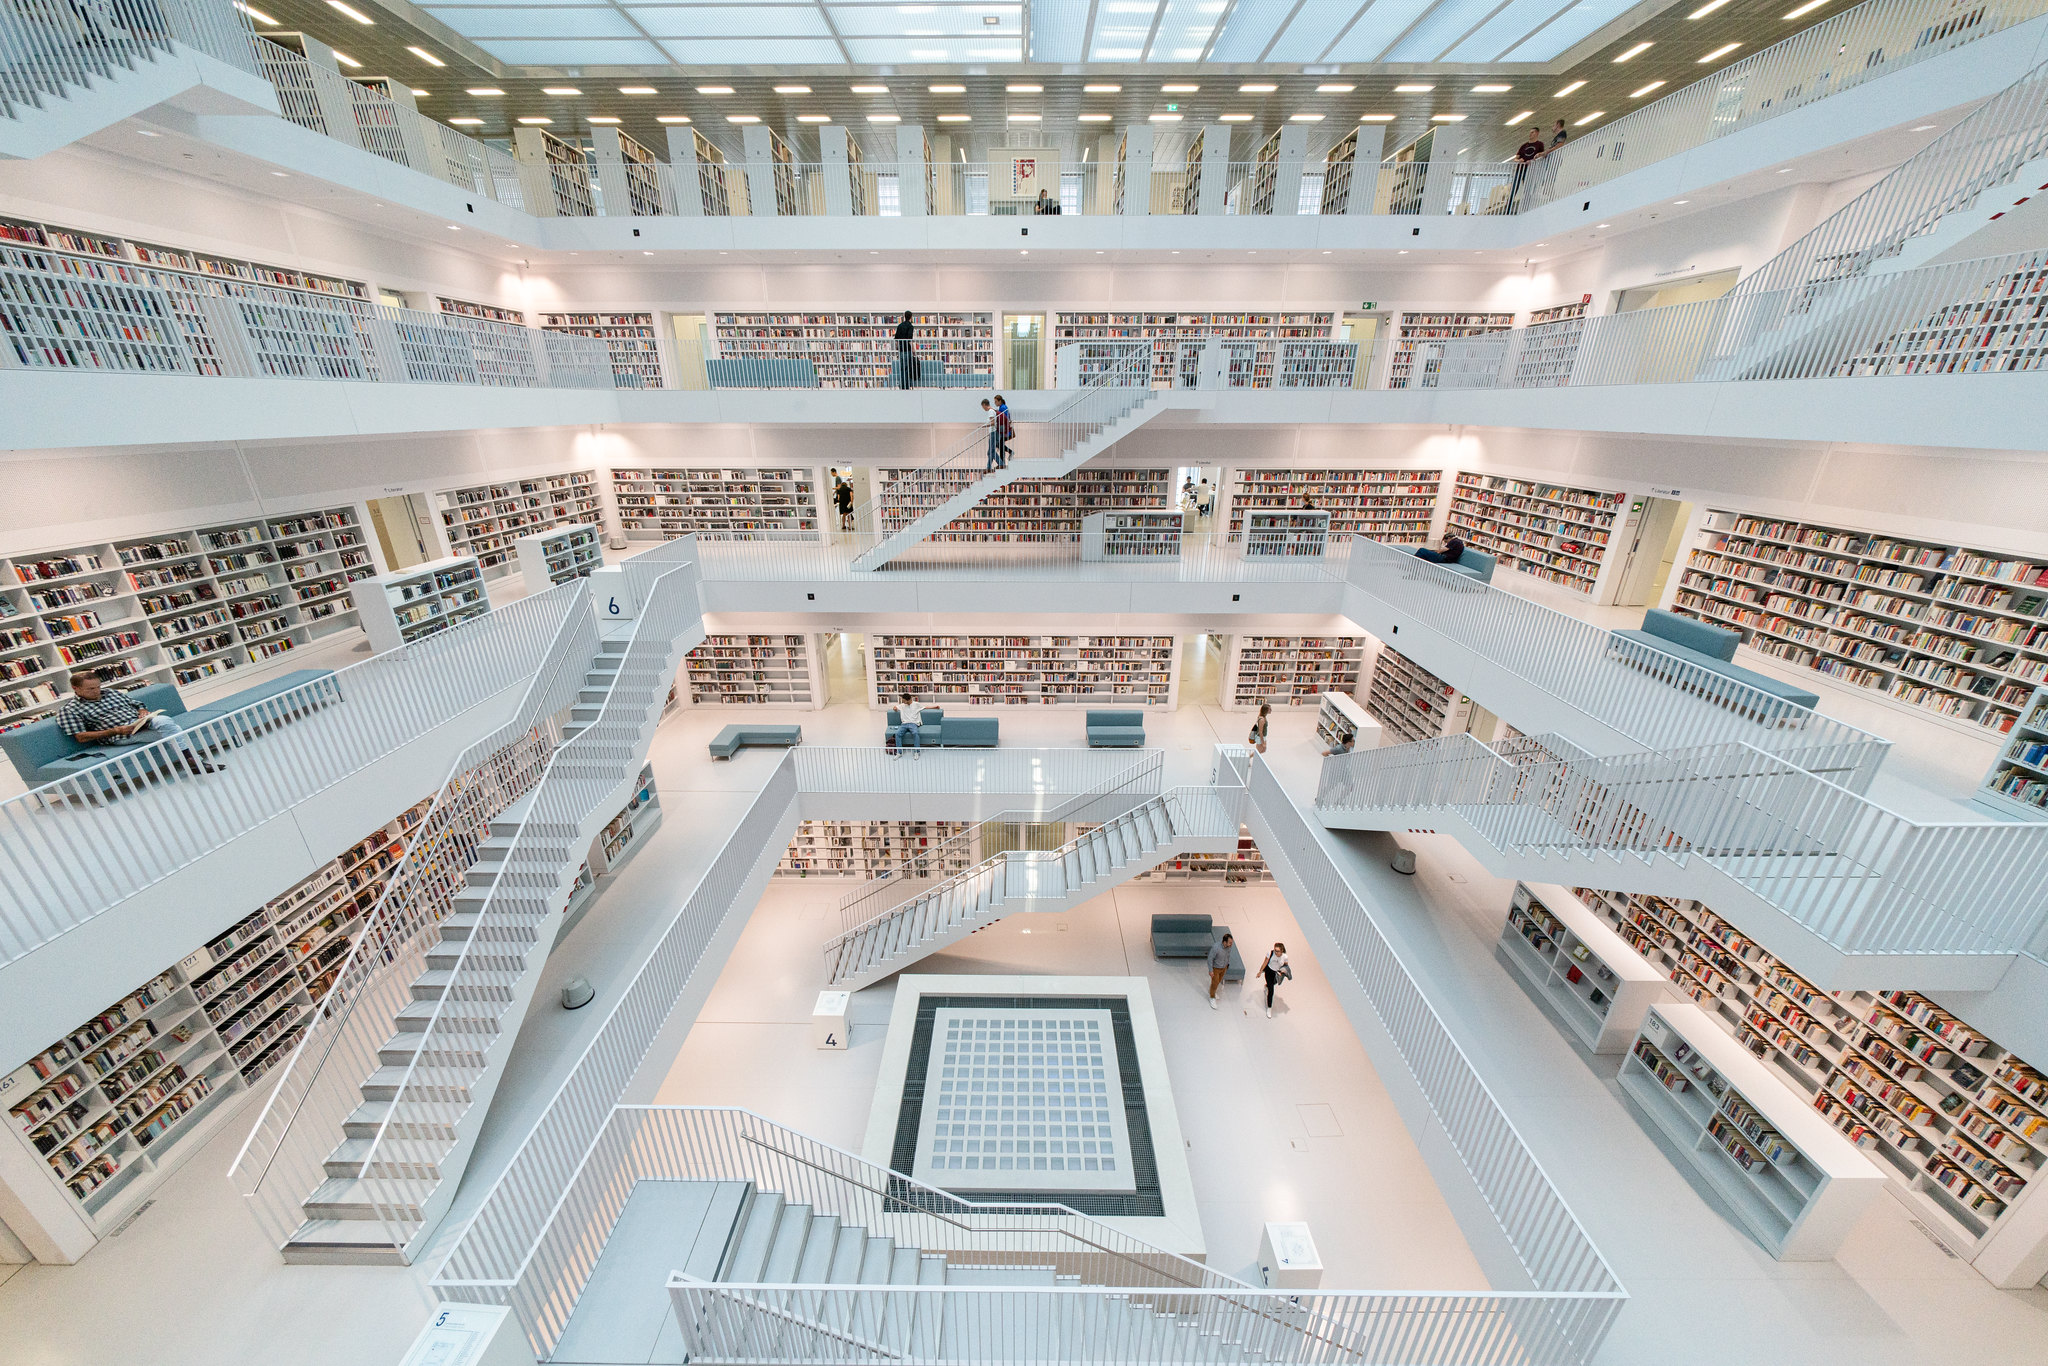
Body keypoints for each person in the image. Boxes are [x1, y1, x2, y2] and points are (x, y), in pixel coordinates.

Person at [56, 672, 219, 776]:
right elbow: (81, 737)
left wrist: (142, 712)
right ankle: (193, 761)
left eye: (98, 686)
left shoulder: (111, 692)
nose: (97, 691)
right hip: (120, 735)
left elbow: (137, 704)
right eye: (91, 689)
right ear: (75, 688)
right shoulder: (70, 710)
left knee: (164, 721)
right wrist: (114, 730)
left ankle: (192, 762)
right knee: (174, 730)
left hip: (141, 723)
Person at [1508, 126, 1545, 212]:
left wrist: (1532, 161)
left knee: (1528, 188)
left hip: (1530, 170)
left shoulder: (1539, 145)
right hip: (1520, 169)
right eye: (1530, 132)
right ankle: (1508, 207)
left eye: (1532, 132)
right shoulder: (1524, 145)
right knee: (1514, 187)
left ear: (1537, 133)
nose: (1530, 134)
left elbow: (1540, 155)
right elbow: (1515, 158)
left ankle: (1526, 207)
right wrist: (1519, 160)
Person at [1258, 942, 1291, 1018]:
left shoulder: (1285, 957)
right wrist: (1260, 971)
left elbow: (1285, 965)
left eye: (1278, 951)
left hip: (1277, 974)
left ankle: (1267, 986)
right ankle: (1269, 1008)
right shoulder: (1270, 953)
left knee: (1272, 984)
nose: (1276, 952)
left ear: (1282, 950)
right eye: (1275, 950)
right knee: (1271, 990)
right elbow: (1265, 962)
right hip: (1269, 972)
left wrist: (1282, 971)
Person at [1206, 932, 1234, 1010]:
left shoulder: (1229, 947)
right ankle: (1212, 997)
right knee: (1215, 983)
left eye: (1232, 942)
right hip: (1216, 968)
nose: (1231, 944)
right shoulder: (1216, 947)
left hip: (1224, 967)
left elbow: (1228, 955)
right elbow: (1210, 959)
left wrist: (1227, 964)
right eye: (1230, 942)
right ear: (1224, 942)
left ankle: (1213, 991)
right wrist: (1211, 970)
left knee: (1218, 981)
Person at [891, 694, 922, 760]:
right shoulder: (902, 705)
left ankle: (917, 752)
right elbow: (895, 707)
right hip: (904, 724)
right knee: (898, 734)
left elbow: (925, 707)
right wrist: (895, 708)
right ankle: (899, 753)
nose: (902, 701)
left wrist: (935, 707)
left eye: (904, 700)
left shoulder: (916, 704)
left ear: (908, 700)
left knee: (915, 733)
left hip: (913, 723)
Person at [981, 398, 1005, 471]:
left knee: (991, 451)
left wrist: (983, 426)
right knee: (990, 452)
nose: (983, 408)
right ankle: (989, 467)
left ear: (984, 405)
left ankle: (1000, 464)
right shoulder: (992, 410)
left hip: (994, 432)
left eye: (983, 407)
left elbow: (993, 423)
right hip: (993, 433)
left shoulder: (990, 411)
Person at [894, 310, 916, 389]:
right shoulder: (910, 326)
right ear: (911, 317)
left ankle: (902, 386)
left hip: (901, 349)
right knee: (907, 369)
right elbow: (909, 339)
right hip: (907, 350)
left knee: (902, 368)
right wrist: (913, 350)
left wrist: (897, 347)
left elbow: (896, 339)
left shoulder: (899, 325)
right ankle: (906, 386)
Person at [993, 393, 1015, 463]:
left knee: (999, 444)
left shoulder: (1003, 407)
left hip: (1004, 430)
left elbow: (1004, 418)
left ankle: (1003, 462)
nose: (995, 403)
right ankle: (1004, 461)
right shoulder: (1002, 407)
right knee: (1000, 445)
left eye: (996, 401)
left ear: (1000, 401)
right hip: (1004, 429)